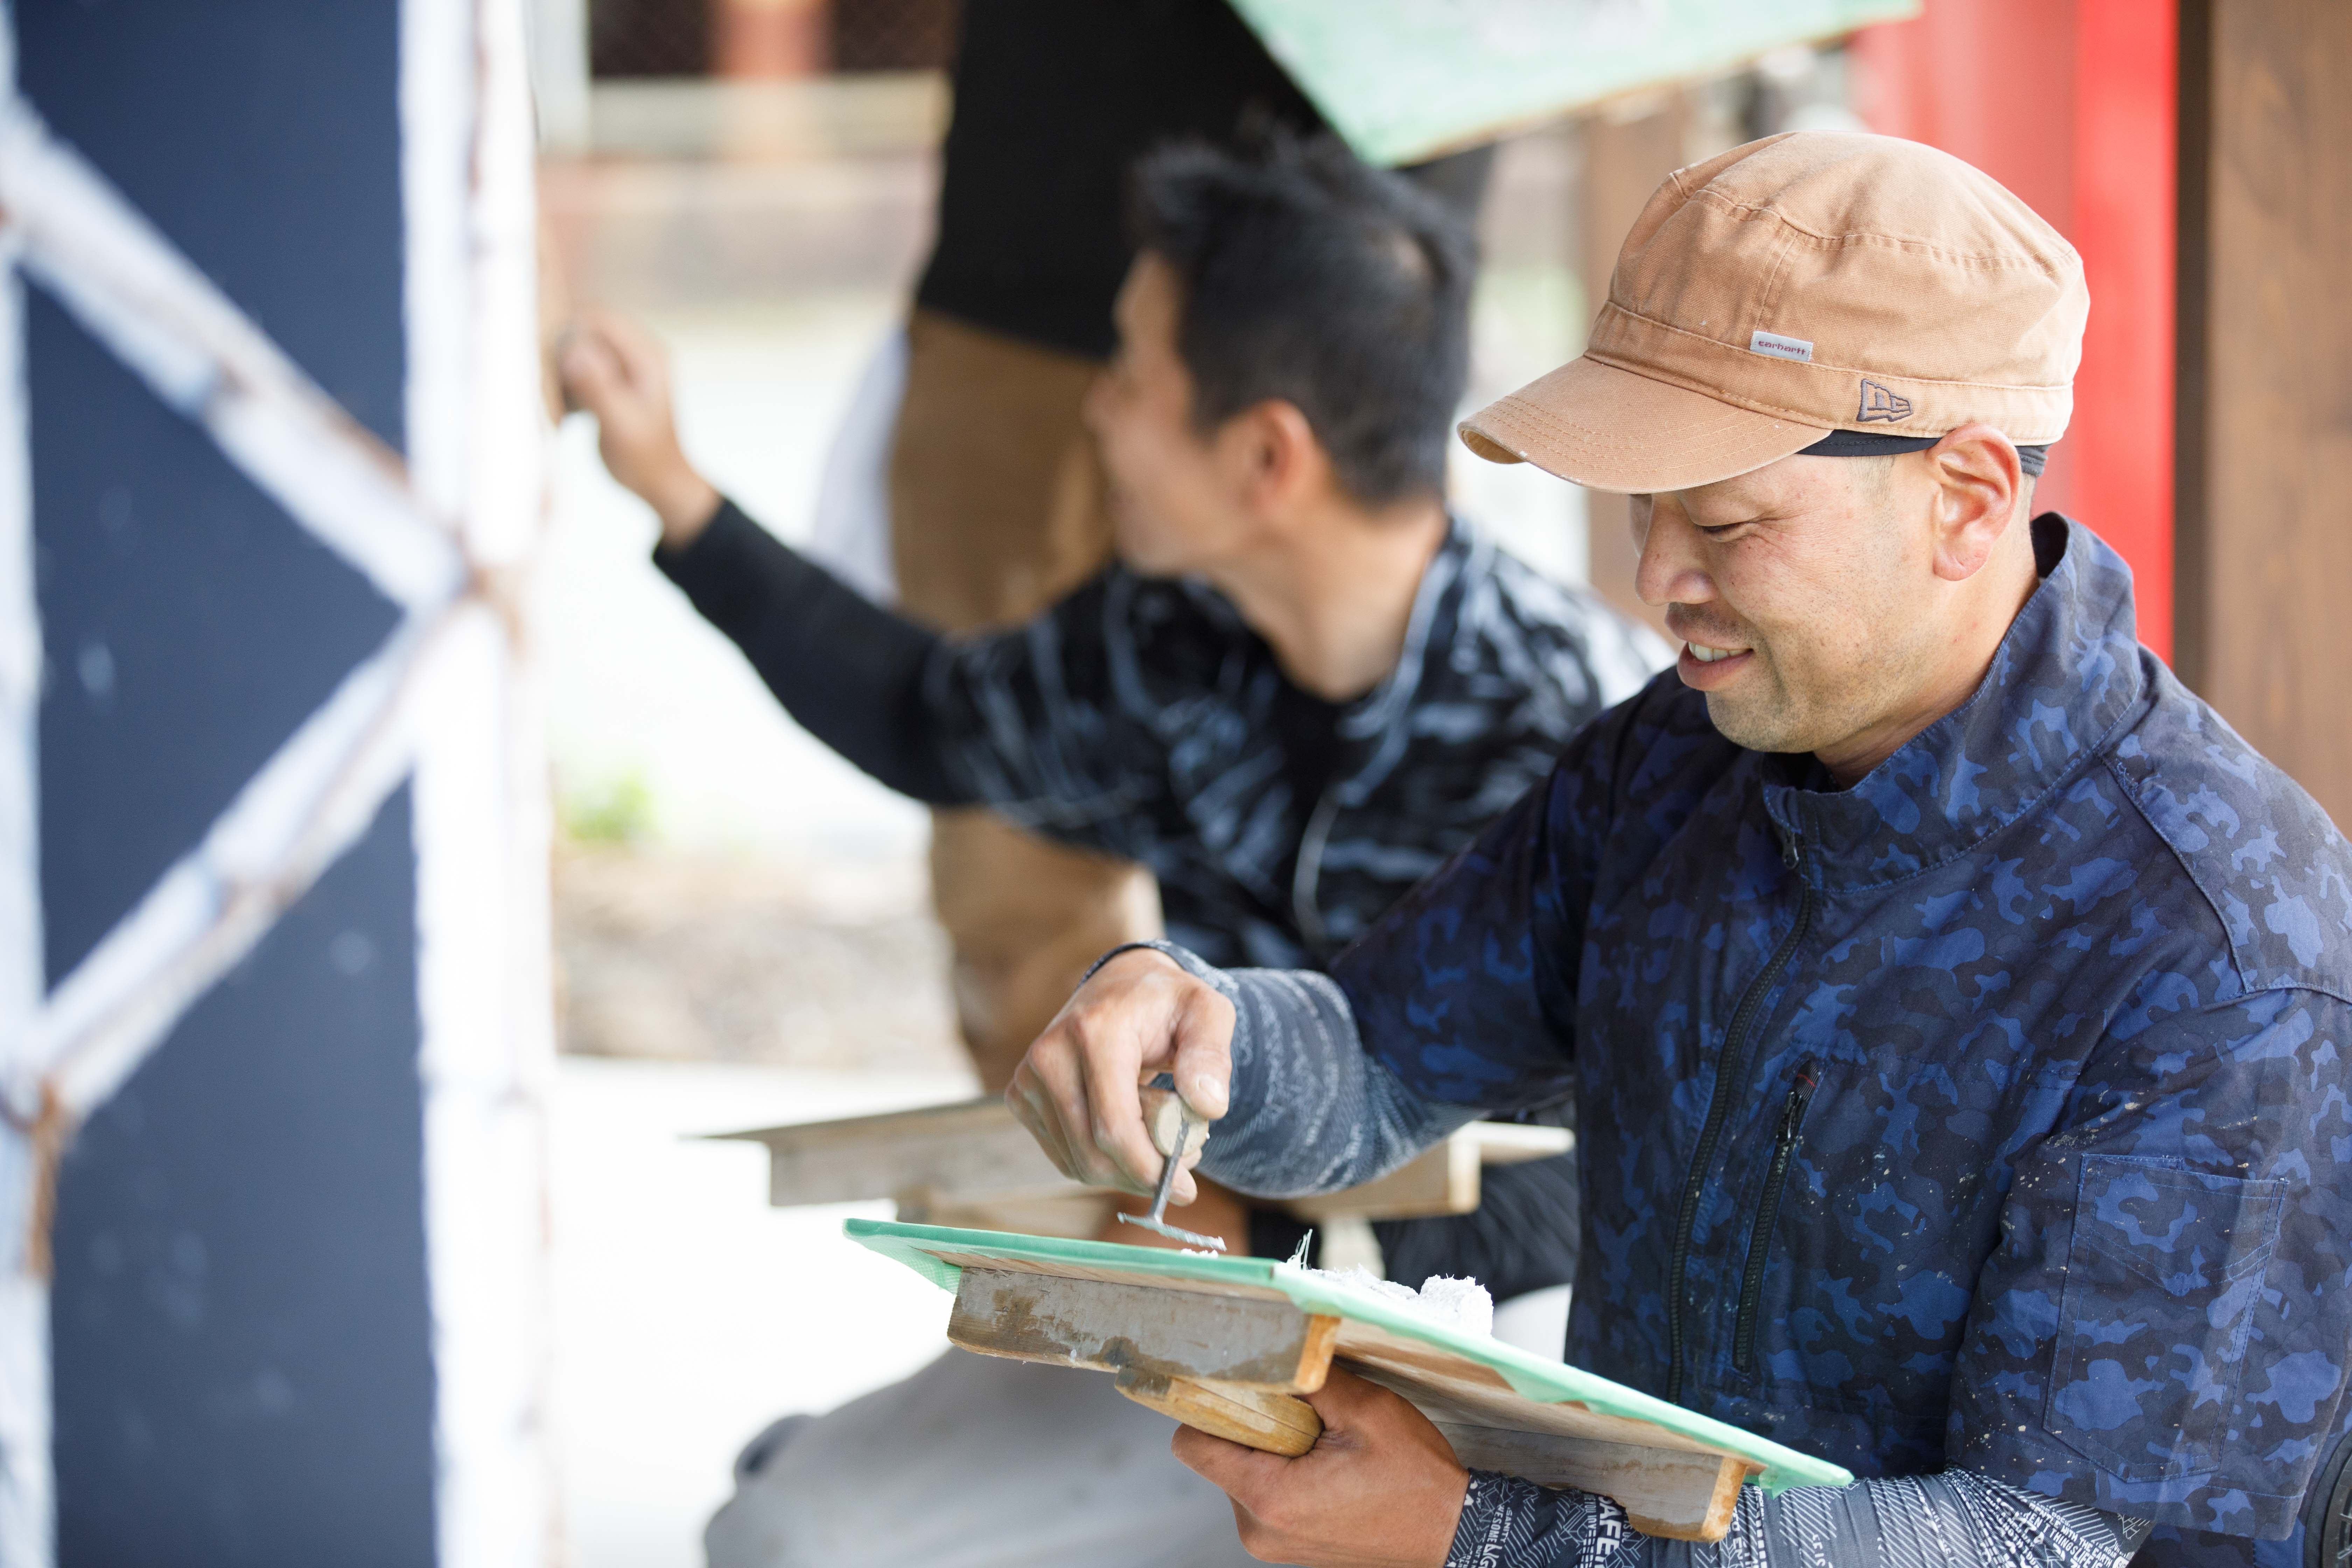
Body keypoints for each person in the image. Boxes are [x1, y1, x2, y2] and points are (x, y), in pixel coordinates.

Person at [1006, 131, 2352, 1568]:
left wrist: (1483, 1538)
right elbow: (1388, 1047)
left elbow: (2036, 1543)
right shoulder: (1678, 759)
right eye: (1644, 510)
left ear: (1964, 497)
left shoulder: (2216, 951)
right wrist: (1197, 1029)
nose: (1658, 582)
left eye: (1726, 520)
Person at [561, 132, 1664, 1566]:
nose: (1099, 414)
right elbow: (932, 717)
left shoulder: (1590, 736)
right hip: (1223, 1313)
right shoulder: (1169, 643)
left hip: (1512, 1359)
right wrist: (677, 495)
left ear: (1268, 455)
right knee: (792, 1535)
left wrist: (1262, 1216)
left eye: (1132, 376)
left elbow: (1651, 1164)